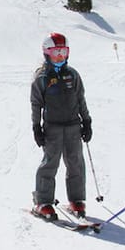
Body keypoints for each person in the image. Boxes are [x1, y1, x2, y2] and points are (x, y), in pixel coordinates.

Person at [29, 33, 92, 220]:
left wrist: (86, 121)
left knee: (76, 164)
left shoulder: (72, 75)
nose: (60, 56)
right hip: (53, 127)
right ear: (47, 52)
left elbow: (81, 99)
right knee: (50, 164)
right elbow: (36, 104)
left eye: (63, 52)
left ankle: (76, 200)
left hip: (73, 125)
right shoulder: (41, 77)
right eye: (56, 52)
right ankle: (43, 201)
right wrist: (36, 127)